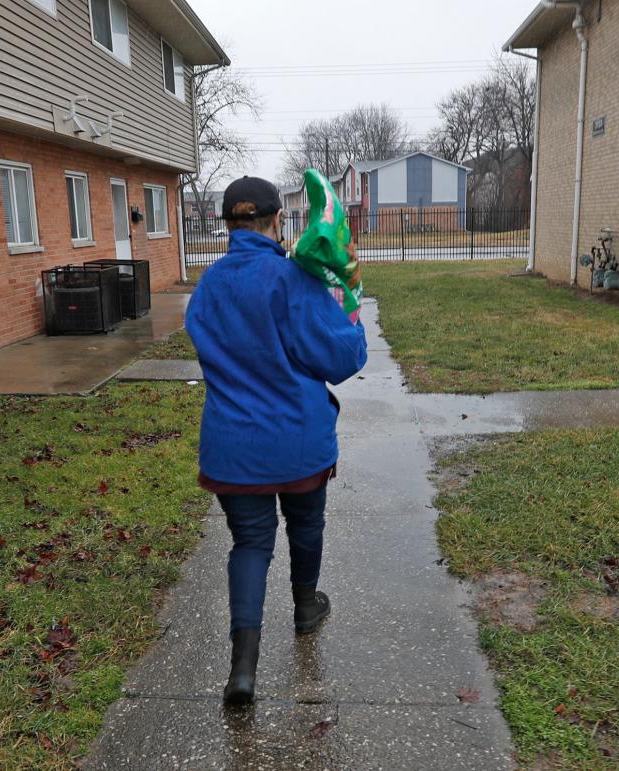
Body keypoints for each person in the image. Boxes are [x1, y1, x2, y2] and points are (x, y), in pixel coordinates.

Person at [185, 176, 367, 706]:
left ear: (227, 224)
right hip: (297, 441)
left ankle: (242, 671)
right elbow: (340, 359)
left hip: (233, 445)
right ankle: (306, 609)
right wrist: (349, 313)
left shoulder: (209, 286)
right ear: (276, 220)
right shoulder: (292, 281)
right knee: (306, 523)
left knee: (250, 543)